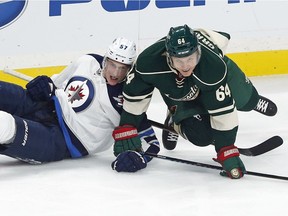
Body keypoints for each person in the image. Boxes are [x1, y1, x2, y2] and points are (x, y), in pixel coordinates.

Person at [111, 25, 277, 179]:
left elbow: (223, 111)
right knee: (202, 136)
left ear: (198, 52)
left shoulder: (213, 67)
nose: (185, 66)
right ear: (168, 56)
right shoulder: (149, 62)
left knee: (244, 100)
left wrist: (226, 147)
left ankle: (252, 102)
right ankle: (174, 119)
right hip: (179, 89)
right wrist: (128, 125)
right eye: (179, 61)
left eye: (190, 59)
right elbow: (135, 95)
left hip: (209, 75)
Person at [0, 37, 159, 172]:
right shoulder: (87, 61)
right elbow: (56, 83)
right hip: (43, 104)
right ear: (105, 59)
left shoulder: (126, 100)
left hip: (60, 140)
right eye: (113, 65)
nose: (116, 73)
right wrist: (45, 84)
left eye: (123, 68)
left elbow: (151, 142)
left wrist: (140, 157)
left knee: (5, 125)